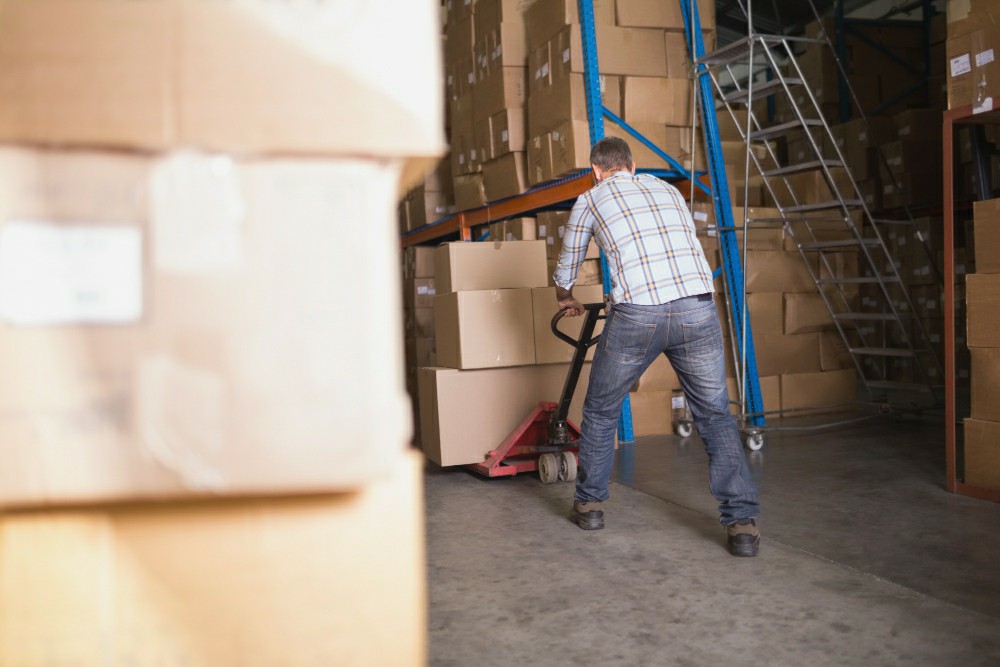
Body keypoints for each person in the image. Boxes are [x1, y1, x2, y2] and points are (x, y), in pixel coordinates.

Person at [553, 136, 760, 557]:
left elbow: (568, 264)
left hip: (638, 315)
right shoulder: (667, 190)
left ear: (597, 170)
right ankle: (742, 525)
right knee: (715, 415)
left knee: (601, 408)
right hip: (698, 308)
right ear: (632, 165)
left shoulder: (590, 200)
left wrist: (564, 296)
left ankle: (590, 505)